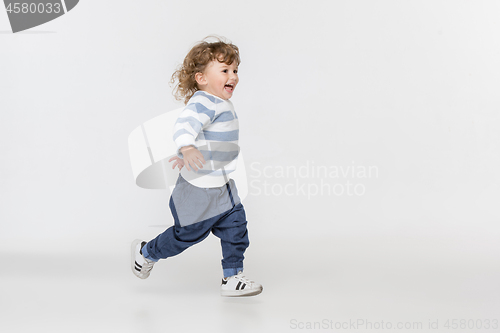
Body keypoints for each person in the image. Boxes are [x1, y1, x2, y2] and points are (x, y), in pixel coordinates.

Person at [131, 36, 262, 297]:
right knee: (185, 237)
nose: (233, 76)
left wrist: (191, 151)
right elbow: (184, 126)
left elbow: (208, 136)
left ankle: (232, 277)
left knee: (237, 227)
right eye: (224, 70)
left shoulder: (221, 103)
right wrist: (187, 147)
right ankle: (146, 252)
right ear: (201, 78)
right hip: (198, 192)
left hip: (222, 186)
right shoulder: (203, 101)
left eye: (235, 70)